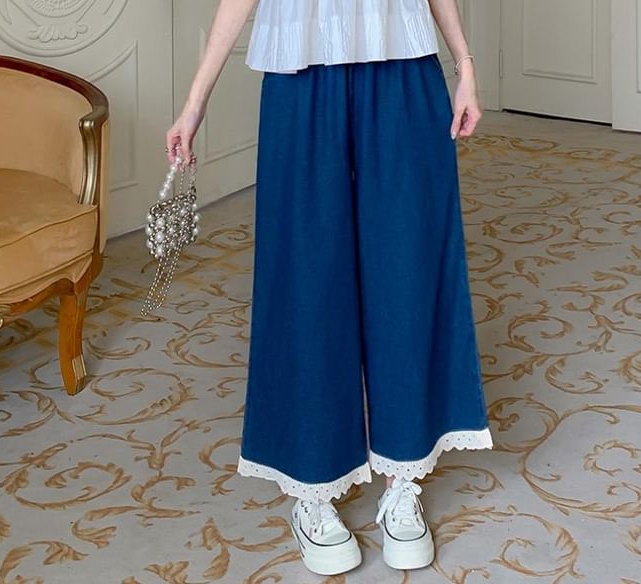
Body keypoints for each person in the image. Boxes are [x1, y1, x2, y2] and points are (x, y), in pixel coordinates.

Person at [166, 0, 493, 576]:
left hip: (404, 68)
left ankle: (403, 476)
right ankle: (312, 488)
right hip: (301, 73)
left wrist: (464, 64)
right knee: (305, 284)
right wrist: (195, 103)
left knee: (409, 272)